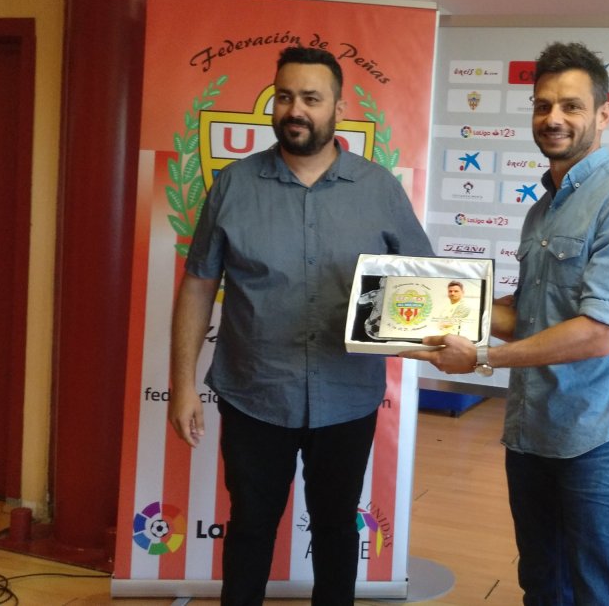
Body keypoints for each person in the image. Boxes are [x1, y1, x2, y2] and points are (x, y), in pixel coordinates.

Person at [403, 41, 609, 604]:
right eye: (543, 105)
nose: (554, 119)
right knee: (541, 584)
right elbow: (525, 318)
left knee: (598, 590)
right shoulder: (542, 208)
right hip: (532, 432)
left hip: (595, 436)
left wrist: (477, 357)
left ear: (603, 113)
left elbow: (598, 333)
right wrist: (426, 305)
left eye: (571, 106)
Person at [169, 46, 432, 605]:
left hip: (347, 397)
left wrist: (442, 334)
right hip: (254, 393)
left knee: (337, 528)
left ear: (337, 107)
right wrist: (183, 384)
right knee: (251, 526)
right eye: (285, 96)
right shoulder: (234, 186)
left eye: (311, 98)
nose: (296, 109)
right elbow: (197, 283)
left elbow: (422, 283)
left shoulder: (379, 188)